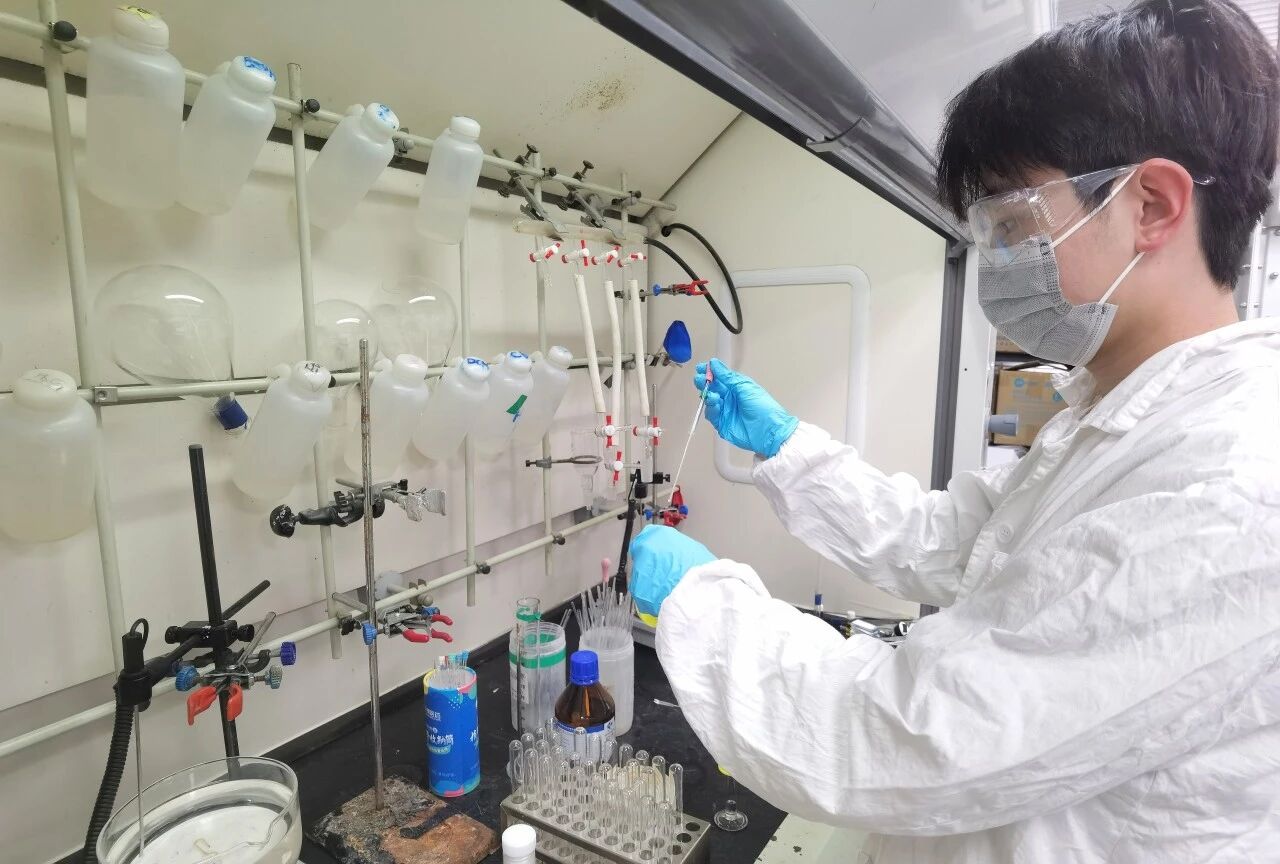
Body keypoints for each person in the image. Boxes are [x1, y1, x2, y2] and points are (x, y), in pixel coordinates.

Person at [628, 1, 1280, 861]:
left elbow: (909, 740)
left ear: (1152, 205)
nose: (997, 263)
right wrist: (789, 450)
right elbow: (958, 542)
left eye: (1013, 225)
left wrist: (702, 605)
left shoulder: (1231, 482)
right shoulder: (1124, 420)